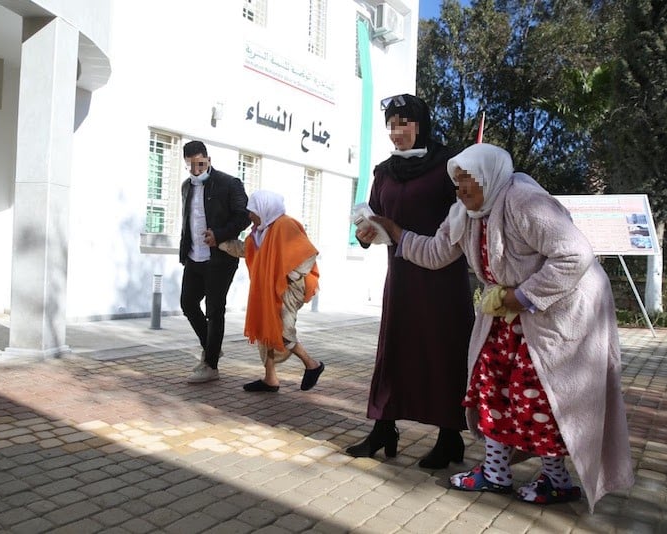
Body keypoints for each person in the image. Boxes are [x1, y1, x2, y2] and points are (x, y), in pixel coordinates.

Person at [369, 142, 634, 511]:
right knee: (489, 382)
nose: (461, 190)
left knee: (537, 392)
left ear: (489, 177)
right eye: (457, 182)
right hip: (511, 310)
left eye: (468, 181)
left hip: (558, 309)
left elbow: (575, 254)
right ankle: (496, 472)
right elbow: (436, 252)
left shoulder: (523, 201)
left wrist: (523, 296)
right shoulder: (465, 214)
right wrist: (395, 231)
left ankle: (557, 480)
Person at [346, 94, 475, 468]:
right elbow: (375, 216)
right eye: (391, 124)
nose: (395, 131)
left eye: (403, 123)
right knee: (394, 350)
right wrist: (364, 234)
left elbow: (466, 214)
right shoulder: (385, 172)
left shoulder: (448, 166)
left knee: (443, 351)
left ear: (421, 124)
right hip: (401, 277)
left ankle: (450, 437)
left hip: (442, 278)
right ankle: (383, 428)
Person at [219, 190, 325, 392]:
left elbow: (308, 254)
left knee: (282, 331)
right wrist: (219, 242)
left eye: (252, 211)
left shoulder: (285, 225)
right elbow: (245, 249)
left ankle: (312, 365)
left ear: (264, 209)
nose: (250, 215)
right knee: (264, 327)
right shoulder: (259, 232)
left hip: (288, 289)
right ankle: (270, 379)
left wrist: (287, 275)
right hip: (267, 290)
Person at [179, 140, 250, 383]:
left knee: (214, 310)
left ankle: (211, 366)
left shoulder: (229, 184)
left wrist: (219, 234)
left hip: (219, 257)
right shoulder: (186, 187)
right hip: (194, 257)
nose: (195, 170)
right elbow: (188, 220)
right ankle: (211, 347)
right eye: (190, 165)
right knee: (188, 303)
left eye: (199, 164)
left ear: (208, 160)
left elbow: (244, 216)